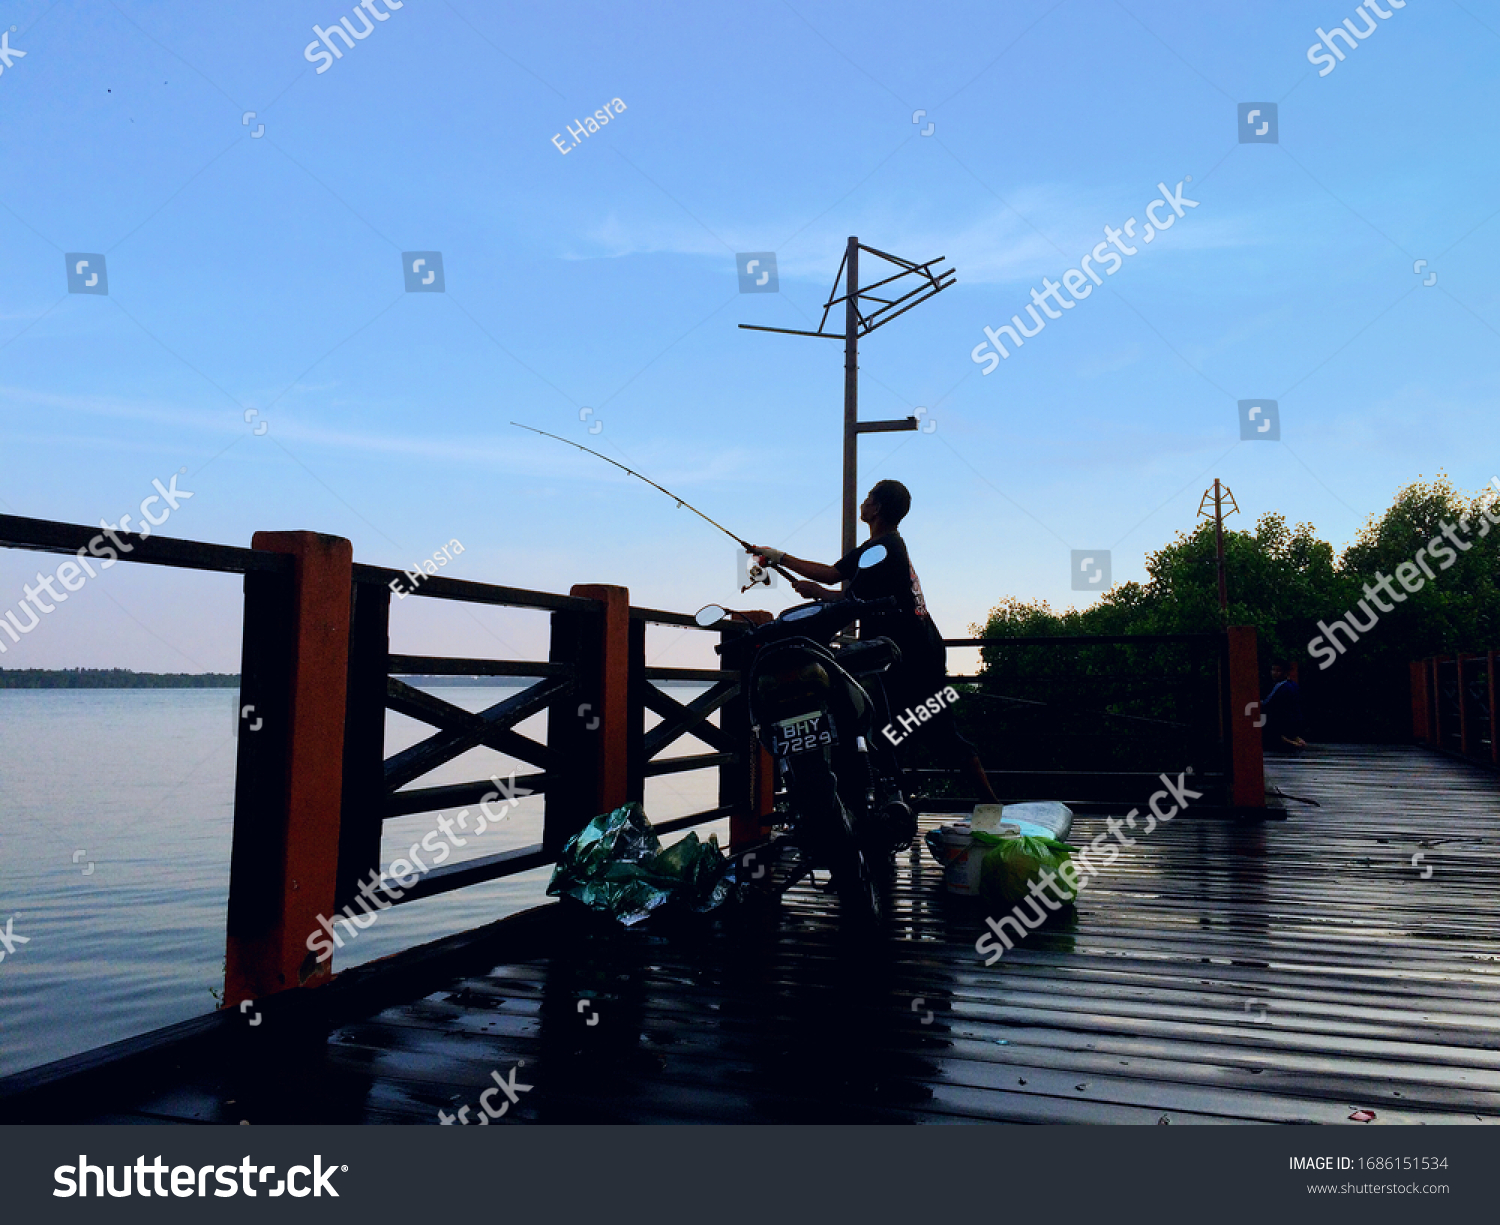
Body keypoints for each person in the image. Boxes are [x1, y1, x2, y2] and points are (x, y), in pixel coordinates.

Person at [749, 479, 1000, 804]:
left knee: (932, 730)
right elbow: (833, 576)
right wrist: (778, 557)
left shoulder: (883, 550)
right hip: (901, 653)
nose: (862, 503)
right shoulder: (881, 546)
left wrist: (818, 592)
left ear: (878, 507)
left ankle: (989, 804)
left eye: (868, 498)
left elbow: (845, 597)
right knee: (882, 728)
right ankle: (887, 804)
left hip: (912, 656)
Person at [1261, 660, 1307, 750]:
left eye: (1278, 671)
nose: (1274, 673)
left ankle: (1293, 744)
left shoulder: (1281, 686)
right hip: (1295, 719)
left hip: (1285, 721)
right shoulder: (1293, 685)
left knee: (1266, 729)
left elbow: (1268, 703)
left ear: (1285, 673)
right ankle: (1296, 740)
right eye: (1273, 670)